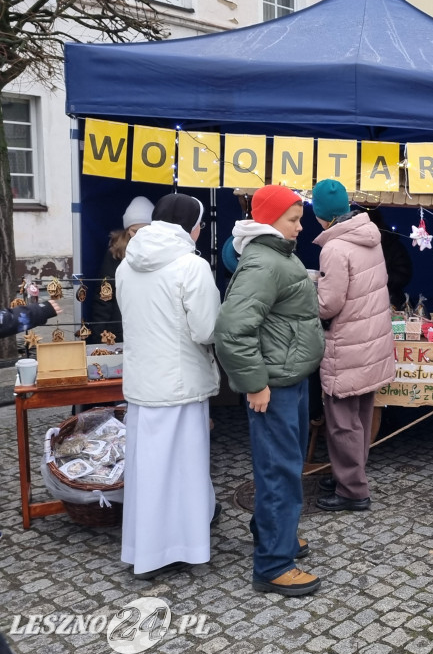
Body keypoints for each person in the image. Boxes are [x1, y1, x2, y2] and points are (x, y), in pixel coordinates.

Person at [215, 184, 325, 597]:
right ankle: (273, 565)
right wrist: (255, 383)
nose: (300, 228)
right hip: (273, 386)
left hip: (288, 379)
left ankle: (274, 533)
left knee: (286, 464)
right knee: (278, 470)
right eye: (293, 220)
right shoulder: (264, 263)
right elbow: (232, 331)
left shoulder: (275, 254)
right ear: (269, 220)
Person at [116, 194, 221, 579]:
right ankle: (181, 546)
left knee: (148, 471)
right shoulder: (191, 266)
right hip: (179, 383)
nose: (200, 231)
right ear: (186, 226)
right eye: (198, 224)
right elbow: (207, 329)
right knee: (182, 470)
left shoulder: (127, 265)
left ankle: (146, 549)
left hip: (144, 382)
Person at [309, 180, 396, 512]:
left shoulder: (334, 248)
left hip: (347, 345)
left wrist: (309, 290)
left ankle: (353, 491)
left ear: (322, 214)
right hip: (371, 343)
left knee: (342, 422)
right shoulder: (369, 238)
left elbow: (328, 305)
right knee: (359, 415)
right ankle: (350, 474)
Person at [89, 196, 154, 343]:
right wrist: (99, 335)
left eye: (146, 230)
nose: (141, 236)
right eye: (135, 231)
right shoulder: (116, 254)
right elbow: (104, 296)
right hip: (121, 329)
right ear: (127, 230)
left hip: (151, 328)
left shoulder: (163, 253)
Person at [364, 207, 413, 309]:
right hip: (360, 301)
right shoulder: (353, 246)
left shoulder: (393, 246)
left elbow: (403, 274)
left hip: (390, 299)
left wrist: (379, 280)